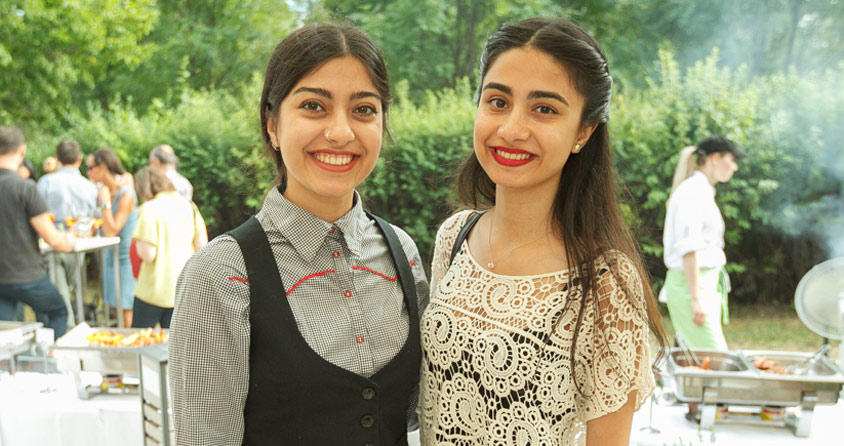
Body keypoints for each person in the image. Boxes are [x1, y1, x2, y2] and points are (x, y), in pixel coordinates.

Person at [169, 23, 429, 445]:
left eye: (364, 109)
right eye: (313, 106)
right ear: (272, 124)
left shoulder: (401, 252)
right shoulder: (220, 274)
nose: (341, 132)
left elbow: (421, 411)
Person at [419, 18, 667, 446]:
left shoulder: (605, 283)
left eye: (545, 109)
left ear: (583, 132)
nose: (512, 129)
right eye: (498, 101)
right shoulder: (455, 237)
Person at [662, 136, 745, 352]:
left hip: (705, 285)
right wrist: (695, 299)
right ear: (715, 158)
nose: (734, 167)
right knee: (716, 358)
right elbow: (689, 248)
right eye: (732, 160)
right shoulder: (692, 192)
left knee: (699, 360)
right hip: (691, 287)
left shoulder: (703, 191)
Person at [0, 126, 75, 337]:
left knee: (4, 330)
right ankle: (50, 355)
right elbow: (53, 239)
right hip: (26, 275)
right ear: (22, 151)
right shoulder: (25, 188)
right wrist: (70, 241)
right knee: (58, 312)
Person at [131, 166, 207, 328]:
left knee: (141, 340)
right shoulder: (189, 206)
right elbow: (201, 248)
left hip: (152, 290)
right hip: (182, 289)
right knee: (175, 342)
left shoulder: (149, 209)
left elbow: (148, 255)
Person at [37, 140, 98, 327]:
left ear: (57, 159)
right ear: (80, 159)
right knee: (69, 291)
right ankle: (68, 329)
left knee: (60, 295)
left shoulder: (46, 182)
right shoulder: (90, 186)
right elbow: (93, 219)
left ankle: (65, 331)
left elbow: (37, 214)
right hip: (79, 244)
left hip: (52, 244)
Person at [86, 148, 138, 327]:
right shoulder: (107, 192)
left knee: (126, 310)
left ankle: (130, 343)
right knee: (115, 308)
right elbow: (99, 225)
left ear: (102, 168)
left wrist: (105, 203)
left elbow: (111, 230)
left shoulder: (125, 195)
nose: (88, 172)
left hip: (124, 261)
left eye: (90, 167)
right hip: (109, 259)